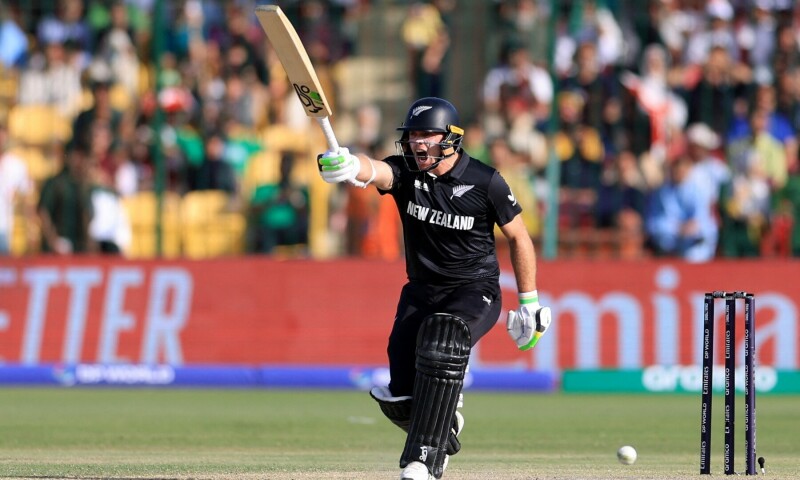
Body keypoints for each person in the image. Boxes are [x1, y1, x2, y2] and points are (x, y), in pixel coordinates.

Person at [316, 97, 551, 480]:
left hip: (475, 291)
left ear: (451, 139)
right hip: (421, 291)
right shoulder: (406, 172)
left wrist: (530, 301)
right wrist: (348, 164)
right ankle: (446, 425)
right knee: (400, 394)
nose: (417, 144)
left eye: (427, 135)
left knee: (444, 338)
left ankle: (424, 459)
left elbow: (519, 237)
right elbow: (375, 170)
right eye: (412, 136)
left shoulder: (485, 180)